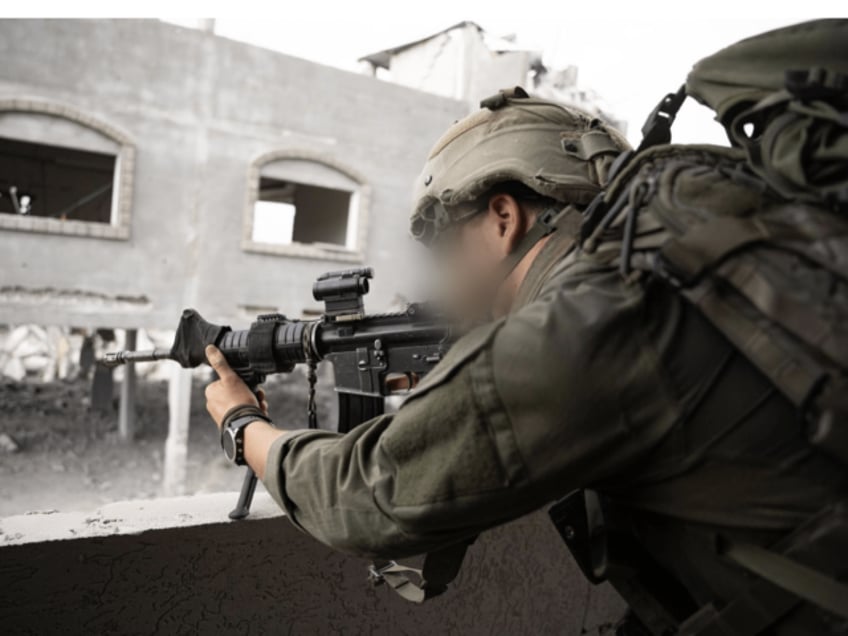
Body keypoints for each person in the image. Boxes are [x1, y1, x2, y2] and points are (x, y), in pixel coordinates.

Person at [204, 71, 847, 636]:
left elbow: (369, 496)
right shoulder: (674, 258)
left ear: (503, 218)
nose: (445, 278)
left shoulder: (585, 315)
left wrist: (244, 426)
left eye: (448, 248)